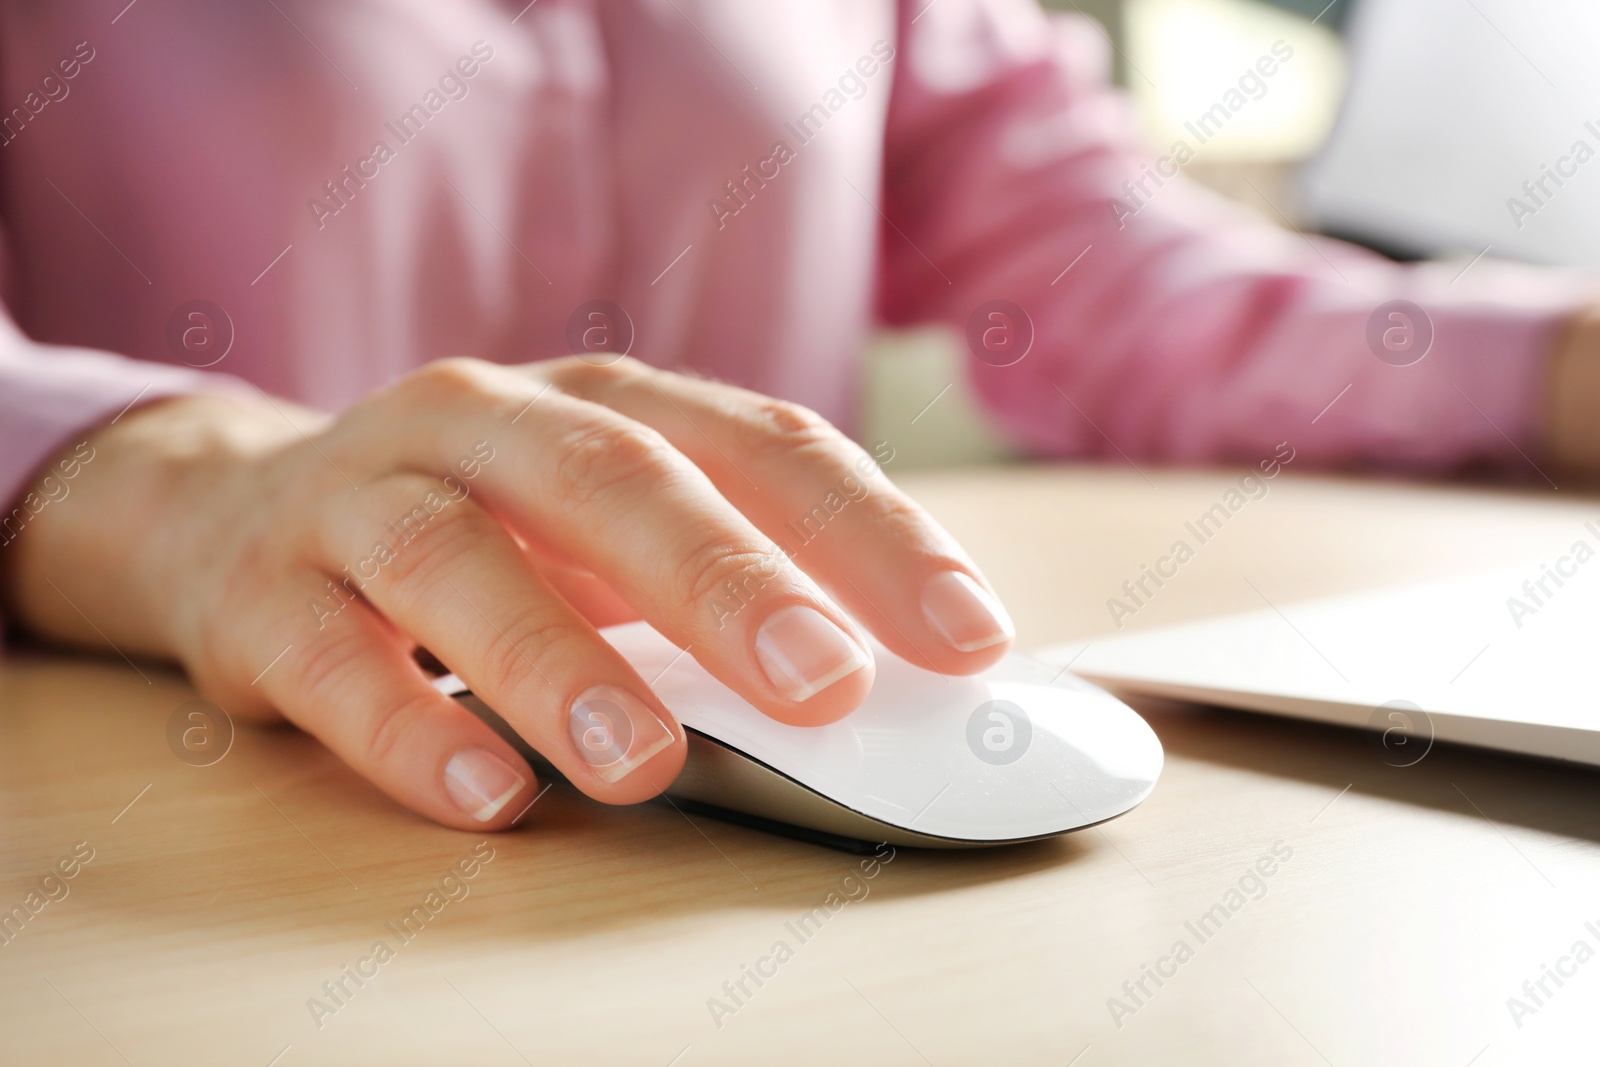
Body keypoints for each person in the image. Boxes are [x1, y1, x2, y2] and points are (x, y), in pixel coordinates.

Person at [0, 0, 1595, 831]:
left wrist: (1549, 357)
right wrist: (174, 483)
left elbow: (1102, 266)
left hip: (756, 794)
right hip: (185, 799)